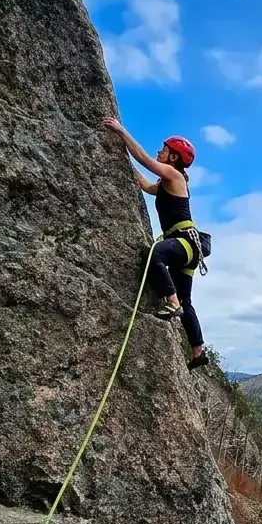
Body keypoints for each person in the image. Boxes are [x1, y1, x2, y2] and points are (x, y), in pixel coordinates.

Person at [102, 116, 209, 371]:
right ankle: (198, 352)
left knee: (154, 255)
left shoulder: (173, 174)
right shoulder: (166, 183)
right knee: (187, 299)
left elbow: (145, 161)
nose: (159, 152)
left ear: (173, 158)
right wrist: (120, 157)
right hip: (189, 247)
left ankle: (171, 303)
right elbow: (145, 184)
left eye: (164, 149)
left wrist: (121, 132)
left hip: (184, 241)